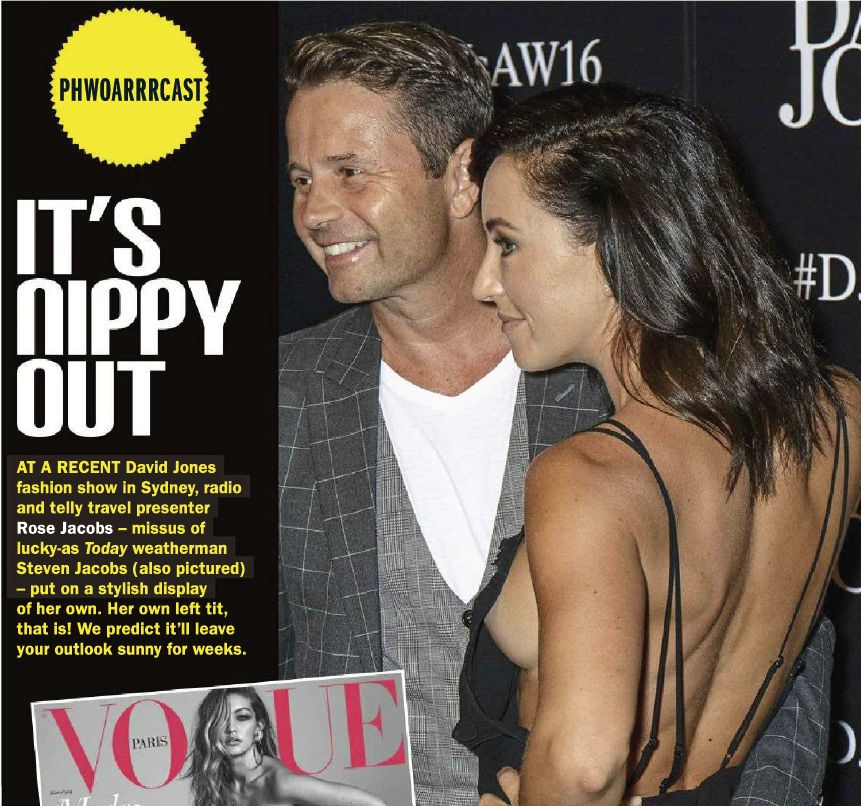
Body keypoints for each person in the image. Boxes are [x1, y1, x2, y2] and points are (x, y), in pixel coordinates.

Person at [279, 20, 836, 806]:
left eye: (351, 171)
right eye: (301, 179)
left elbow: (787, 644)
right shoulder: (281, 392)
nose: (315, 211)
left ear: (461, 175)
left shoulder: (636, 387)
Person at [453, 83, 861, 806]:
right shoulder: (839, 412)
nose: (485, 282)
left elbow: (586, 767)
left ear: (615, 243)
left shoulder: (591, 477)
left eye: (507, 243)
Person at [185, 686, 386, 806]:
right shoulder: (217, 784)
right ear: (210, 729)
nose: (231, 728)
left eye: (242, 717)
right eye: (221, 719)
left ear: (258, 728)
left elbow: (375, 804)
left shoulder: (280, 783)